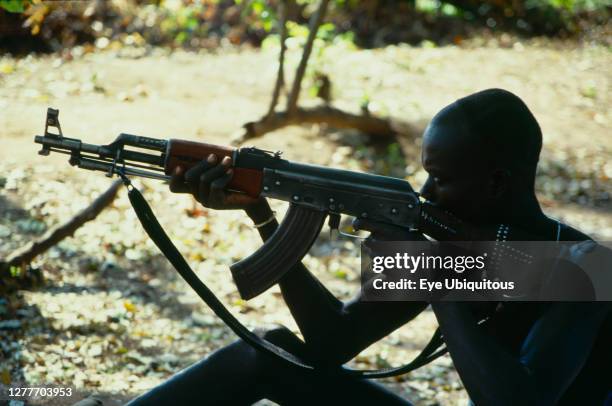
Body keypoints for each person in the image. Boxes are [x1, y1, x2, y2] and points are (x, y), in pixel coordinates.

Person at [127, 89, 612, 405]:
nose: (425, 194)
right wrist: (263, 214)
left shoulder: (586, 269)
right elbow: (332, 342)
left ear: (496, 182)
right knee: (270, 351)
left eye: (440, 179)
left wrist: (437, 284)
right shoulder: (458, 246)